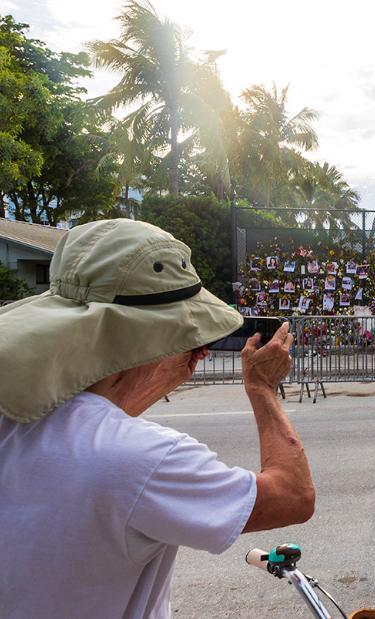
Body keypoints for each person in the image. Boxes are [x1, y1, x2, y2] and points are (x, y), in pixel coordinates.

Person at [0, 219, 315, 618]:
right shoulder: (140, 458)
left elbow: (95, 422)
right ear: (142, 339)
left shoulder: (16, 413)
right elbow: (293, 496)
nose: (199, 354)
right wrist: (263, 390)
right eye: (189, 339)